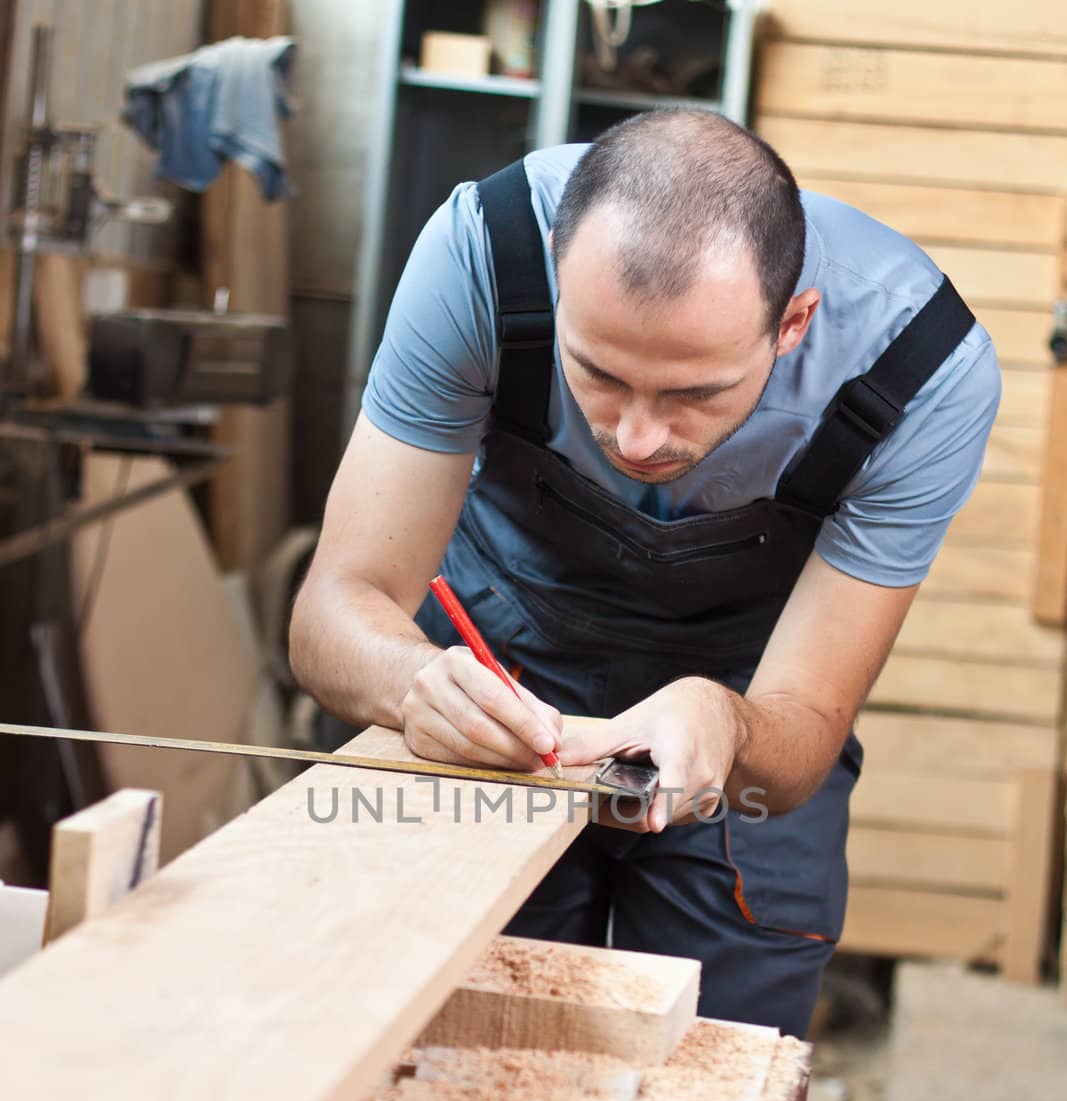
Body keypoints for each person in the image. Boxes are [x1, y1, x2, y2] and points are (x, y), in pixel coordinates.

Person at [290, 110, 1000, 1039]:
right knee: (443, 1044)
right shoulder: (482, 252)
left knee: (716, 1079)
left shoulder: (919, 371)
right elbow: (334, 611)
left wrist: (722, 718)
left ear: (792, 325)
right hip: (497, 689)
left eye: (693, 393)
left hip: (742, 712)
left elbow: (799, 737)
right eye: (598, 375)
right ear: (554, 279)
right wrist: (411, 678)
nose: (634, 439)